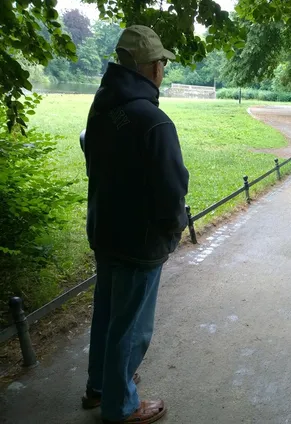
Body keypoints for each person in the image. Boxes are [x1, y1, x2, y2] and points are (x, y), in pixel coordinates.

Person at [81, 25, 189, 424]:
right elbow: (172, 188)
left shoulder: (102, 108)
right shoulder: (153, 120)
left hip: (105, 231)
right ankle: (122, 406)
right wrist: (173, 231)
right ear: (150, 67)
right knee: (131, 328)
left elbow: (89, 151)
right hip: (140, 242)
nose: (163, 67)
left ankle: (99, 385)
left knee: (107, 315)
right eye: (161, 60)